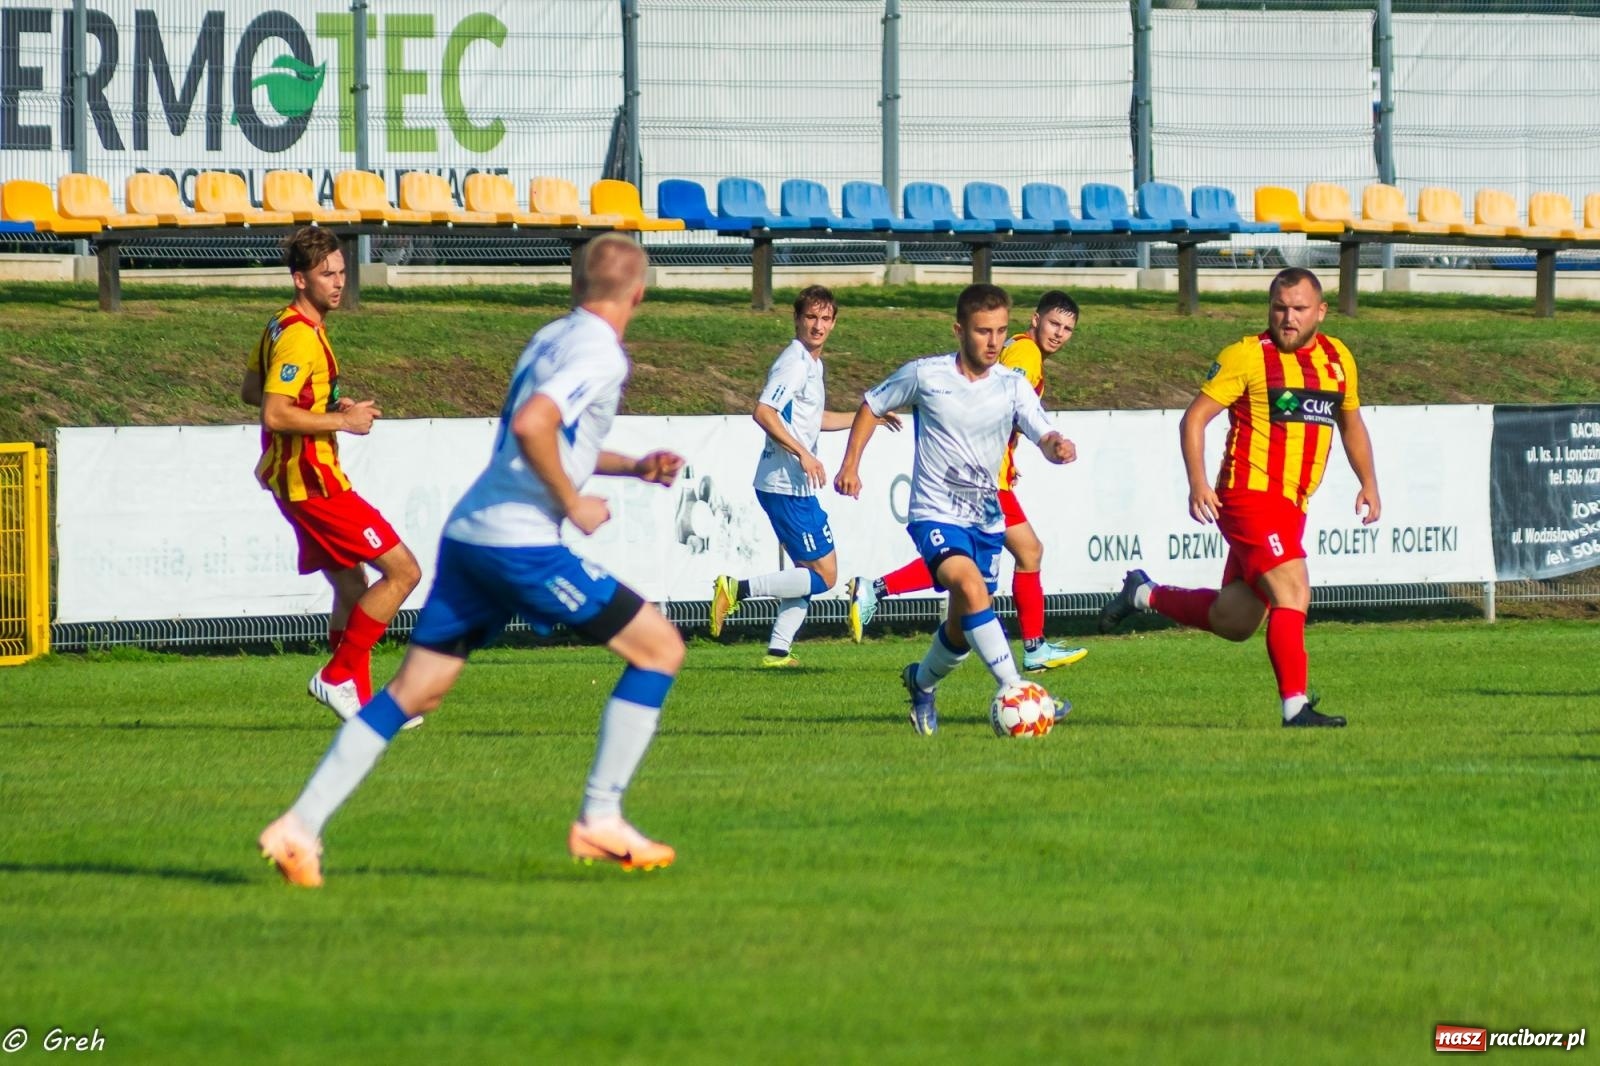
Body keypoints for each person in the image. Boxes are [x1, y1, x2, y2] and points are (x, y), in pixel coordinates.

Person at [258, 234, 687, 887]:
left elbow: (546, 433)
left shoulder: (552, 336)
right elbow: (532, 428)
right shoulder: (603, 352)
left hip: (470, 535)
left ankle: (298, 828)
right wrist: (571, 503)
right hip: (519, 545)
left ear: (575, 287)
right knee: (659, 649)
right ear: (639, 293)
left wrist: (631, 466)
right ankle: (601, 816)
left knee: (413, 690)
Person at [1097, 268, 1381, 728]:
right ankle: (1296, 708)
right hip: (1250, 497)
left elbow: (1351, 423)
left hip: (1293, 505)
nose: (1287, 318)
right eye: (1279, 308)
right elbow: (1194, 419)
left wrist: (1368, 482)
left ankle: (1144, 594)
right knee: (1293, 590)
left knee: (1235, 620)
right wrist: (1198, 482)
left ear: (1321, 312)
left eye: (1299, 309)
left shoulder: (1337, 358)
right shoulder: (1247, 356)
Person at [834, 283, 1078, 736]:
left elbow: (1042, 430)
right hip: (934, 513)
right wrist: (851, 464)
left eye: (1001, 331)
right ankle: (1016, 688)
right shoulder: (927, 375)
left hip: (985, 517)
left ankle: (921, 684)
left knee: (962, 630)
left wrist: (1056, 446)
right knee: (968, 585)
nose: (994, 342)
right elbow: (872, 403)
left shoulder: (1012, 385)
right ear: (959, 329)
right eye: (984, 331)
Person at [251, 227, 421, 724]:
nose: (339, 282)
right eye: (328, 274)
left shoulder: (281, 325)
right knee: (404, 572)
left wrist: (326, 405)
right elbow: (274, 414)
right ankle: (336, 674)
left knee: (352, 586)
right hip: (315, 483)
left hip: (295, 482)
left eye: (342, 271)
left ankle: (361, 705)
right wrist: (342, 420)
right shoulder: (299, 339)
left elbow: (251, 391)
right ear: (299, 279)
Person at [708, 286, 897, 665]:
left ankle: (778, 649)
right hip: (786, 483)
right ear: (796, 319)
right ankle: (735, 588)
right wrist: (804, 454)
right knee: (826, 576)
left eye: (825, 318)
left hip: (789, 484)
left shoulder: (813, 363)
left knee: (807, 572)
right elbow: (763, 412)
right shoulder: (794, 362)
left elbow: (815, 419)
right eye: (811, 317)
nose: (818, 325)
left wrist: (867, 416)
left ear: (834, 323)